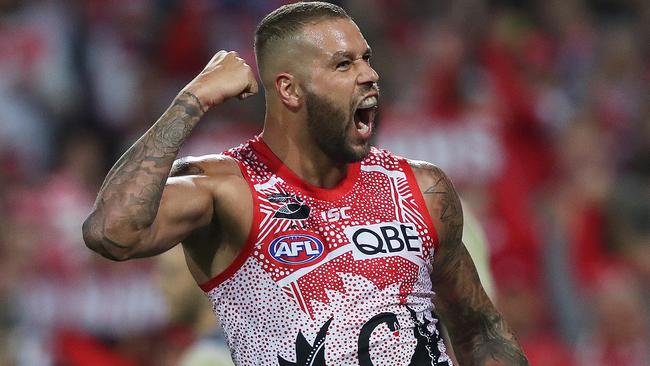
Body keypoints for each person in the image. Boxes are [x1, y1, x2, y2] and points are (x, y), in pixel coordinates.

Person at [82, 2, 528, 365]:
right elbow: (112, 232)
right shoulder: (226, 189)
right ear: (290, 91)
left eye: (367, 58)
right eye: (343, 64)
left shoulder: (421, 187)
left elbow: (480, 330)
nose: (369, 75)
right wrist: (191, 101)